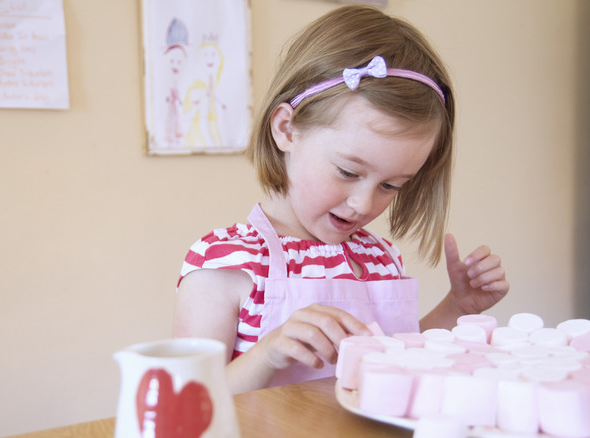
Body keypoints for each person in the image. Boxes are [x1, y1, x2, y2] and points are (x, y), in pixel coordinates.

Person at [173, 5, 509, 394]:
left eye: (392, 185)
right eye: (348, 172)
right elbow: (185, 400)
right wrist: (268, 354)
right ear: (286, 129)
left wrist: (459, 306)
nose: (364, 205)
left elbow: (400, 358)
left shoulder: (379, 260)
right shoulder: (225, 265)